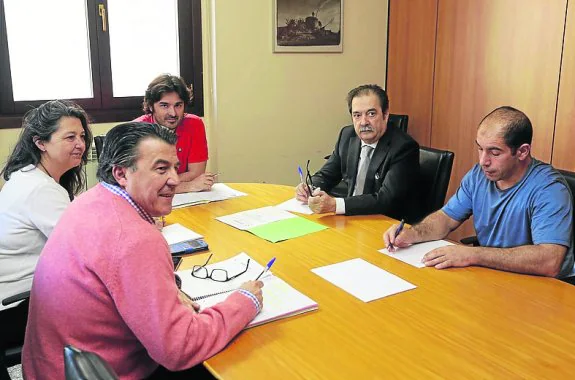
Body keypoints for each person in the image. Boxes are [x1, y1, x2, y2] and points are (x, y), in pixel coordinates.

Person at [22, 122, 264, 379]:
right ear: (121, 174)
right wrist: (244, 301)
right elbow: (180, 348)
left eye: (175, 167)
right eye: (161, 169)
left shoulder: (89, 201)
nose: (174, 179)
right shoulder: (134, 238)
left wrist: (170, 290)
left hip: (52, 366)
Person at [384, 106, 574, 278]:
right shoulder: (479, 176)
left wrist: (474, 254)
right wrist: (411, 234)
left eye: (495, 152)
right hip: (496, 276)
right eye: (480, 149)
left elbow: (550, 261)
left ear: (522, 152)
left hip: (547, 289)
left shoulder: (549, 189)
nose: (484, 161)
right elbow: (446, 218)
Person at [0, 100, 92, 352]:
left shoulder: (27, 175)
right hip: (15, 307)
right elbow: (86, 251)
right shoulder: (40, 189)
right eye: (70, 137)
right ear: (41, 143)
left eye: (82, 136)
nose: (80, 144)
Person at [296, 84, 420, 221]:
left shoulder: (404, 147)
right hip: (350, 218)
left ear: (385, 115)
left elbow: (386, 200)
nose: (363, 122)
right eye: (357, 115)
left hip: (384, 223)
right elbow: (327, 174)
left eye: (371, 114)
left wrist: (335, 205)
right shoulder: (347, 135)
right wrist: (310, 187)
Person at [135, 73, 216, 193]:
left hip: (186, 200)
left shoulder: (194, 124)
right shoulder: (137, 130)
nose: (173, 113)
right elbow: (140, 185)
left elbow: (196, 173)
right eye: (164, 105)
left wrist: (160, 184)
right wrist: (188, 186)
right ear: (151, 106)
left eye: (178, 105)